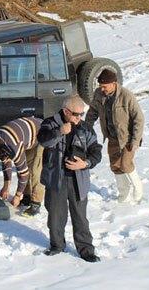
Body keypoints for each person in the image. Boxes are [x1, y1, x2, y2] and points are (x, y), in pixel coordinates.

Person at [38, 96, 102, 262]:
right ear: (66, 111)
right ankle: (57, 245)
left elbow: (96, 151)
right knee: (55, 216)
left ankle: (86, 250)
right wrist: (60, 131)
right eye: (75, 114)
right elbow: (43, 141)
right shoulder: (50, 123)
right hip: (55, 179)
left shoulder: (86, 128)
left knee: (80, 217)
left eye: (81, 114)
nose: (79, 118)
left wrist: (85, 163)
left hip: (78, 180)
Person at [85, 69, 144, 203]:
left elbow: (138, 119)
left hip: (127, 138)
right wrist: (86, 127)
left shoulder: (126, 96)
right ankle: (124, 192)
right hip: (112, 137)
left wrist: (135, 141)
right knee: (115, 166)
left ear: (113, 83)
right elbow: (93, 110)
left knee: (125, 164)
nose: (102, 89)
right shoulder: (99, 94)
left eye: (104, 86)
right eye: (100, 86)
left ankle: (138, 188)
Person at [0, 116, 44, 217]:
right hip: (26, 137)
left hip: (42, 133)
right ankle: (27, 197)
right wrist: (6, 187)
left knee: (35, 170)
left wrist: (17, 196)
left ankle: (36, 204)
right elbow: (6, 162)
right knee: (27, 165)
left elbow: (23, 174)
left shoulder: (13, 146)